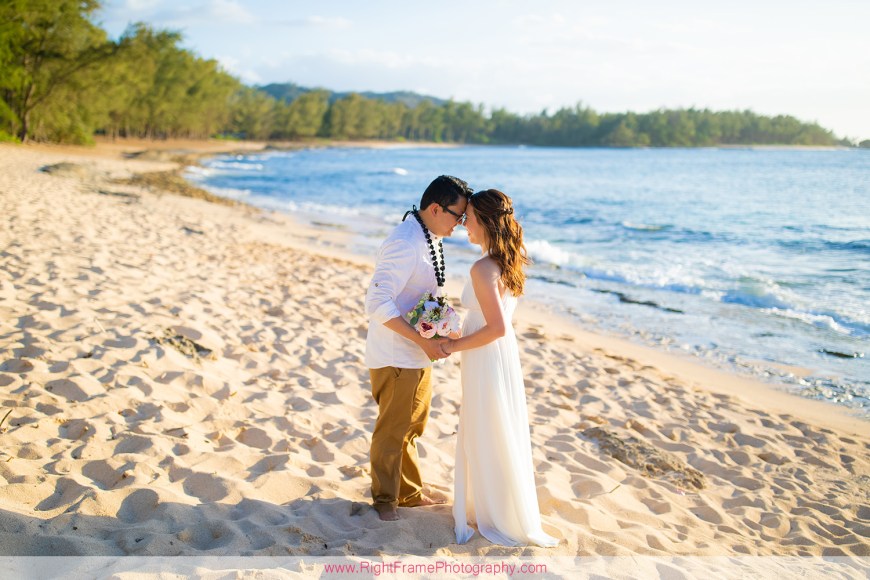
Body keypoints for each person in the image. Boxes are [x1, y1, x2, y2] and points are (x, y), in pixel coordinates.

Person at [443, 189, 558, 547]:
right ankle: (494, 505)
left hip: (486, 353)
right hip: (498, 355)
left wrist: (453, 345)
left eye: (469, 218)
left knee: (486, 427)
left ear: (485, 221)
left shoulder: (482, 268)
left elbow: (495, 327)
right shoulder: (507, 259)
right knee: (495, 425)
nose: (464, 224)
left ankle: (495, 513)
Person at [364, 175, 472, 522]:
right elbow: (376, 302)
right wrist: (422, 340)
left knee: (412, 426)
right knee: (393, 429)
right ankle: (385, 501)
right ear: (436, 208)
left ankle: (407, 494)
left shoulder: (429, 236)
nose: (461, 224)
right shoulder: (405, 242)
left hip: (415, 352)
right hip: (397, 354)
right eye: (458, 215)